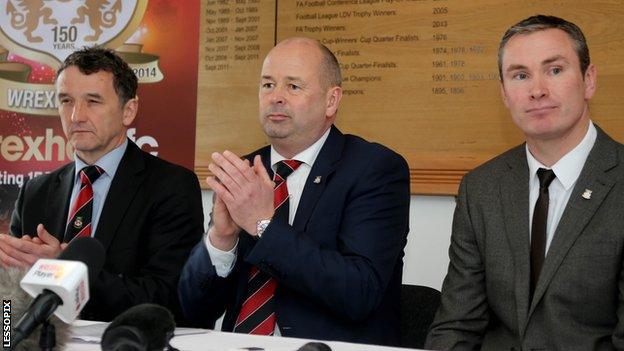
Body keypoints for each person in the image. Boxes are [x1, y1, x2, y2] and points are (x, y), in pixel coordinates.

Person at [178, 37, 410, 346]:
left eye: (293, 87)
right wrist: (222, 239)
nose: (276, 97)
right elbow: (193, 311)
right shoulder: (247, 170)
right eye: (268, 85)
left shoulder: (374, 169)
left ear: (331, 101)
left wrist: (263, 225)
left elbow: (359, 292)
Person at [426, 15, 624, 350]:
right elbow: (456, 326)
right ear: (504, 93)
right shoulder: (481, 188)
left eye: (555, 70)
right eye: (520, 75)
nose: (537, 91)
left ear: (589, 80)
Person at [0, 46, 204, 322]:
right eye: (66, 101)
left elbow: (167, 297)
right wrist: (7, 337)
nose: (76, 116)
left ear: (128, 111)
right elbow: (8, 300)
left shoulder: (171, 187)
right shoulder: (36, 191)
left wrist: (65, 270)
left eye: (93, 101)